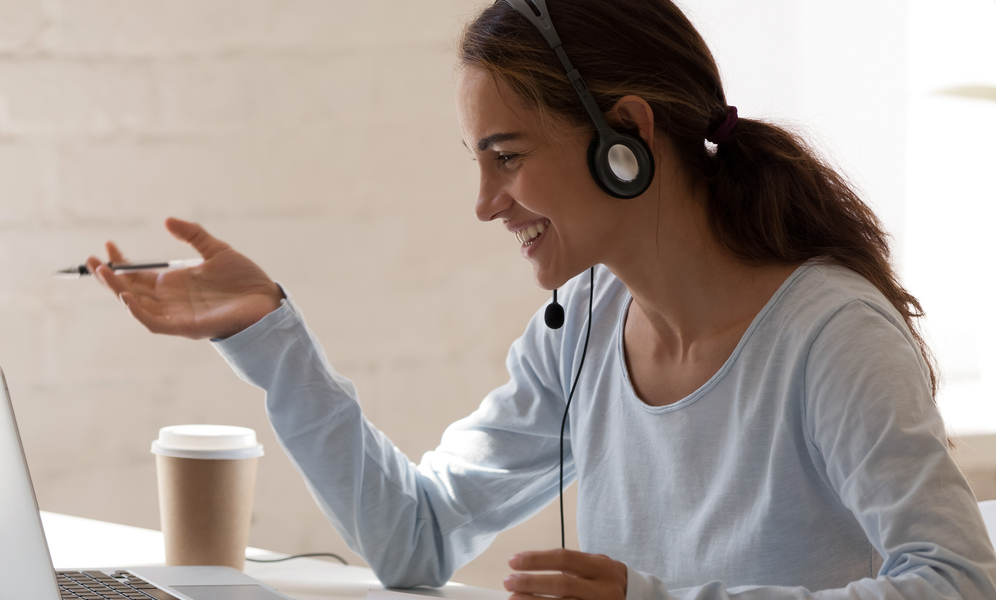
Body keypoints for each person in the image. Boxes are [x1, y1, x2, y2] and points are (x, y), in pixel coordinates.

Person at [86, 0, 996, 598]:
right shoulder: (585, 327)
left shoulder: (829, 336)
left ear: (627, 137)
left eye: (509, 158)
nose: (486, 204)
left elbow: (956, 580)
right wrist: (271, 337)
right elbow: (416, 538)